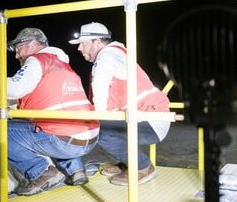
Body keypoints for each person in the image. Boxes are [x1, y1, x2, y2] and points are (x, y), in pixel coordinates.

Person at [0, 28, 99, 196]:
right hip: (89, 137)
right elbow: (29, 98)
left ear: (32, 44)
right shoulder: (60, 64)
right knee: (57, 127)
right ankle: (76, 172)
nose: (17, 55)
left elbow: (16, 89)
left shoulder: (37, 60)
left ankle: (41, 172)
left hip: (64, 140)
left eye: (18, 49)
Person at [68, 22, 170, 185]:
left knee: (102, 133)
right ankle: (127, 163)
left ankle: (142, 167)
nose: (79, 48)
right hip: (147, 115)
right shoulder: (116, 54)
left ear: (97, 41)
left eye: (82, 43)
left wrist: (98, 118)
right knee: (105, 128)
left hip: (150, 119)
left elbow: (100, 86)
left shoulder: (107, 56)